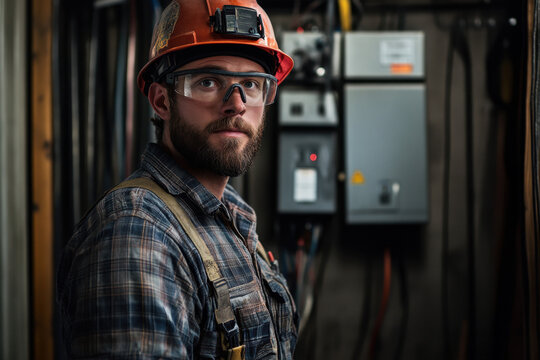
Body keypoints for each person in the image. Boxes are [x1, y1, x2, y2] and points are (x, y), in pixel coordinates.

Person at [56, 0, 297, 359]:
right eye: (208, 82)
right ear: (161, 101)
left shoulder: (232, 215)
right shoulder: (138, 235)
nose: (237, 104)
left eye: (251, 83)